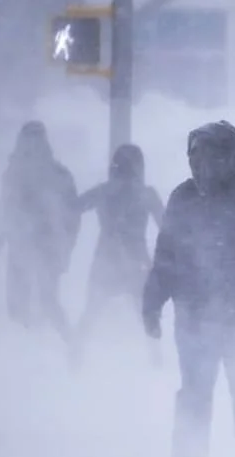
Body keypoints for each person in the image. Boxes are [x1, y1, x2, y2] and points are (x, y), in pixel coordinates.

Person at [142, 120, 235, 457]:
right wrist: (152, 301)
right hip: (193, 317)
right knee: (193, 393)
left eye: (209, 157)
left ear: (229, 158)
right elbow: (166, 257)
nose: (200, 165)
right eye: (194, 157)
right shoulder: (181, 199)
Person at [71, 143, 166, 367]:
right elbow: (167, 225)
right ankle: (157, 360)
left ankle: (75, 353)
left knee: (92, 311)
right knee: (145, 314)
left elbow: (74, 206)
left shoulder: (106, 191)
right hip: (134, 262)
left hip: (110, 258)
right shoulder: (144, 194)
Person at [0, 120, 80, 342]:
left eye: (36, 141)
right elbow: (4, 210)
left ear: (44, 143)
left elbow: (72, 216)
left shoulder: (58, 175)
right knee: (17, 305)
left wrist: (66, 247)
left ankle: (66, 344)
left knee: (47, 302)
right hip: (20, 245)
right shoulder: (13, 173)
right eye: (28, 141)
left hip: (48, 247)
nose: (32, 146)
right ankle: (25, 352)